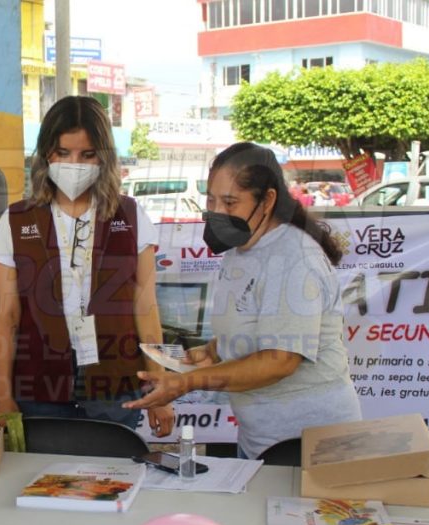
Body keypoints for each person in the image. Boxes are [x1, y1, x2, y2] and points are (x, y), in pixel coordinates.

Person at [124, 142, 362, 459]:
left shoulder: (293, 257)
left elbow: (280, 361)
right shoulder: (241, 248)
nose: (218, 212)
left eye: (230, 202)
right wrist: (206, 353)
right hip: (262, 438)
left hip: (312, 443)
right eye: (211, 200)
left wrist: (188, 383)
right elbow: (247, 331)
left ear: (267, 201)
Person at [0, 96, 174, 438]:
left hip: (115, 384)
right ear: (47, 154)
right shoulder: (16, 220)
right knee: (43, 482)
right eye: (63, 153)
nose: (74, 163)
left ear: (103, 158)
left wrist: (159, 387)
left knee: (110, 479)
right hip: (38, 386)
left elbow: (146, 309)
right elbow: (8, 316)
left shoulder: (131, 217)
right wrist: (3, 394)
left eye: (87, 155)